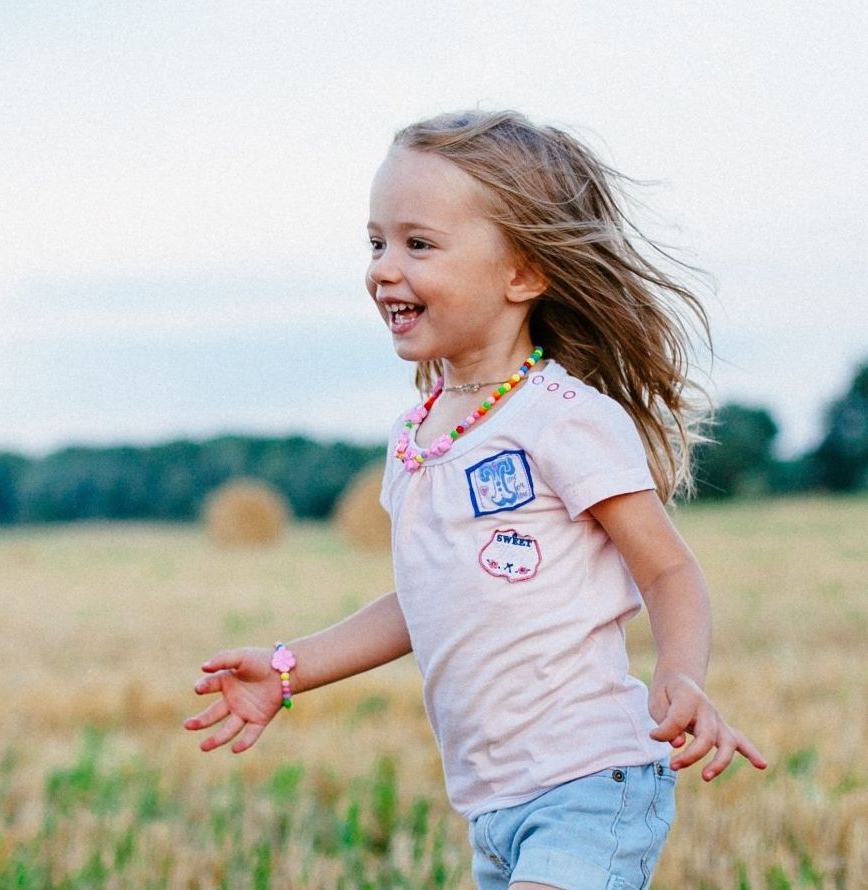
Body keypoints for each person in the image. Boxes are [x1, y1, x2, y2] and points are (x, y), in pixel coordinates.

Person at [184, 109, 767, 890]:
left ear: (522, 273)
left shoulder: (566, 420)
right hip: (493, 807)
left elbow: (668, 572)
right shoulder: (417, 434)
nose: (385, 268)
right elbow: (423, 598)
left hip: (592, 783)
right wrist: (290, 668)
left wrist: (682, 674)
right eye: (376, 242)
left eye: (418, 244)